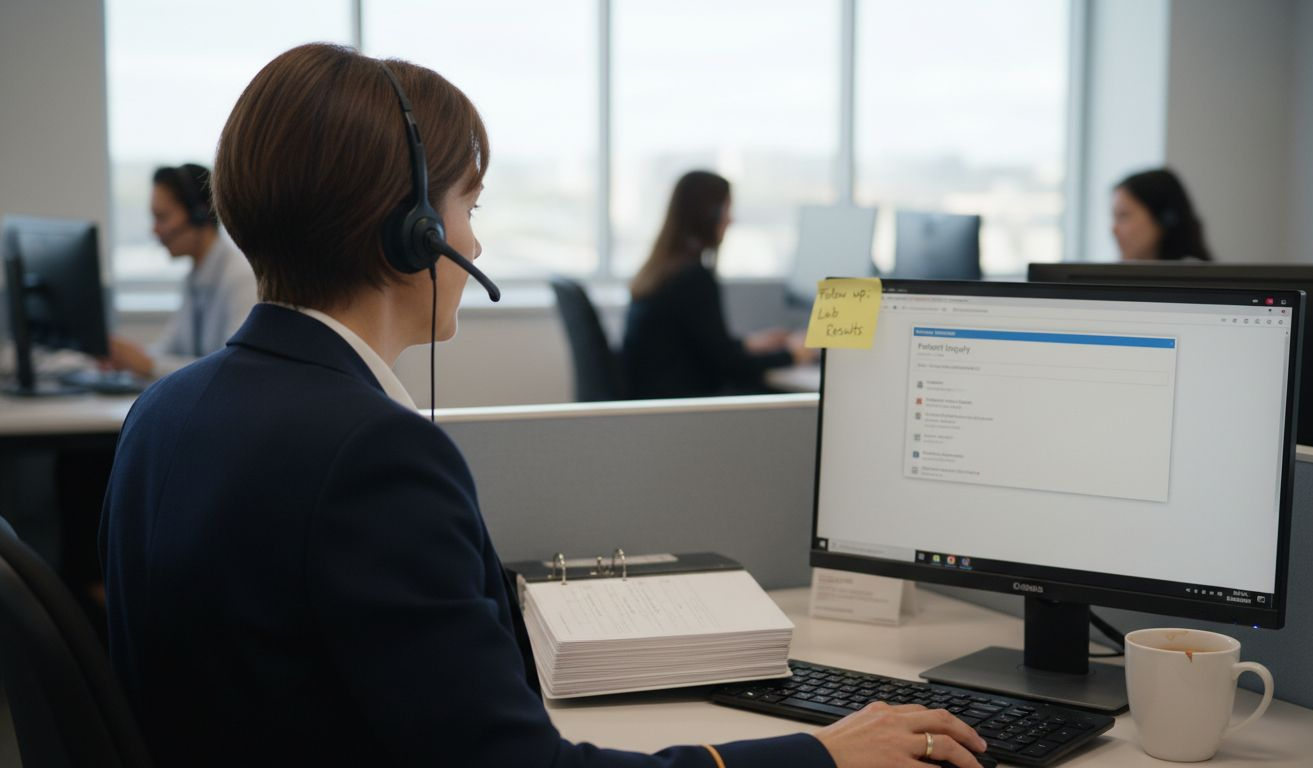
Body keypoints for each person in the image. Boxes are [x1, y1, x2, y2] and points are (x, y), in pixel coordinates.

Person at [99, 43, 987, 768]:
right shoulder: (371, 455)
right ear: (412, 228)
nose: (475, 238)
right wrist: (818, 755)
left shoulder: (167, 410)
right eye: (467, 204)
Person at [622, 171, 813, 400]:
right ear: (709, 214)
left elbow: (701, 348)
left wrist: (750, 344)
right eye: (727, 209)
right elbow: (728, 366)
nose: (730, 220)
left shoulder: (662, 271)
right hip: (685, 410)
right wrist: (793, 354)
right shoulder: (692, 278)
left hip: (659, 404)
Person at [102, 163, 257, 378]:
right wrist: (127, 357)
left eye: (162, 217)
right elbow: (168, 349)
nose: (154, 230)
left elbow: (231, 369)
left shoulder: (240, 276)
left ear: (199, 214)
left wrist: (148, 365)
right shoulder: (196, 275)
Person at [1110, 168, 1214, 262]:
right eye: (1114, 217)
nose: (1114, 229)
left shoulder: (1192, 278)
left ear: (1164, 218)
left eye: (1123, 215)